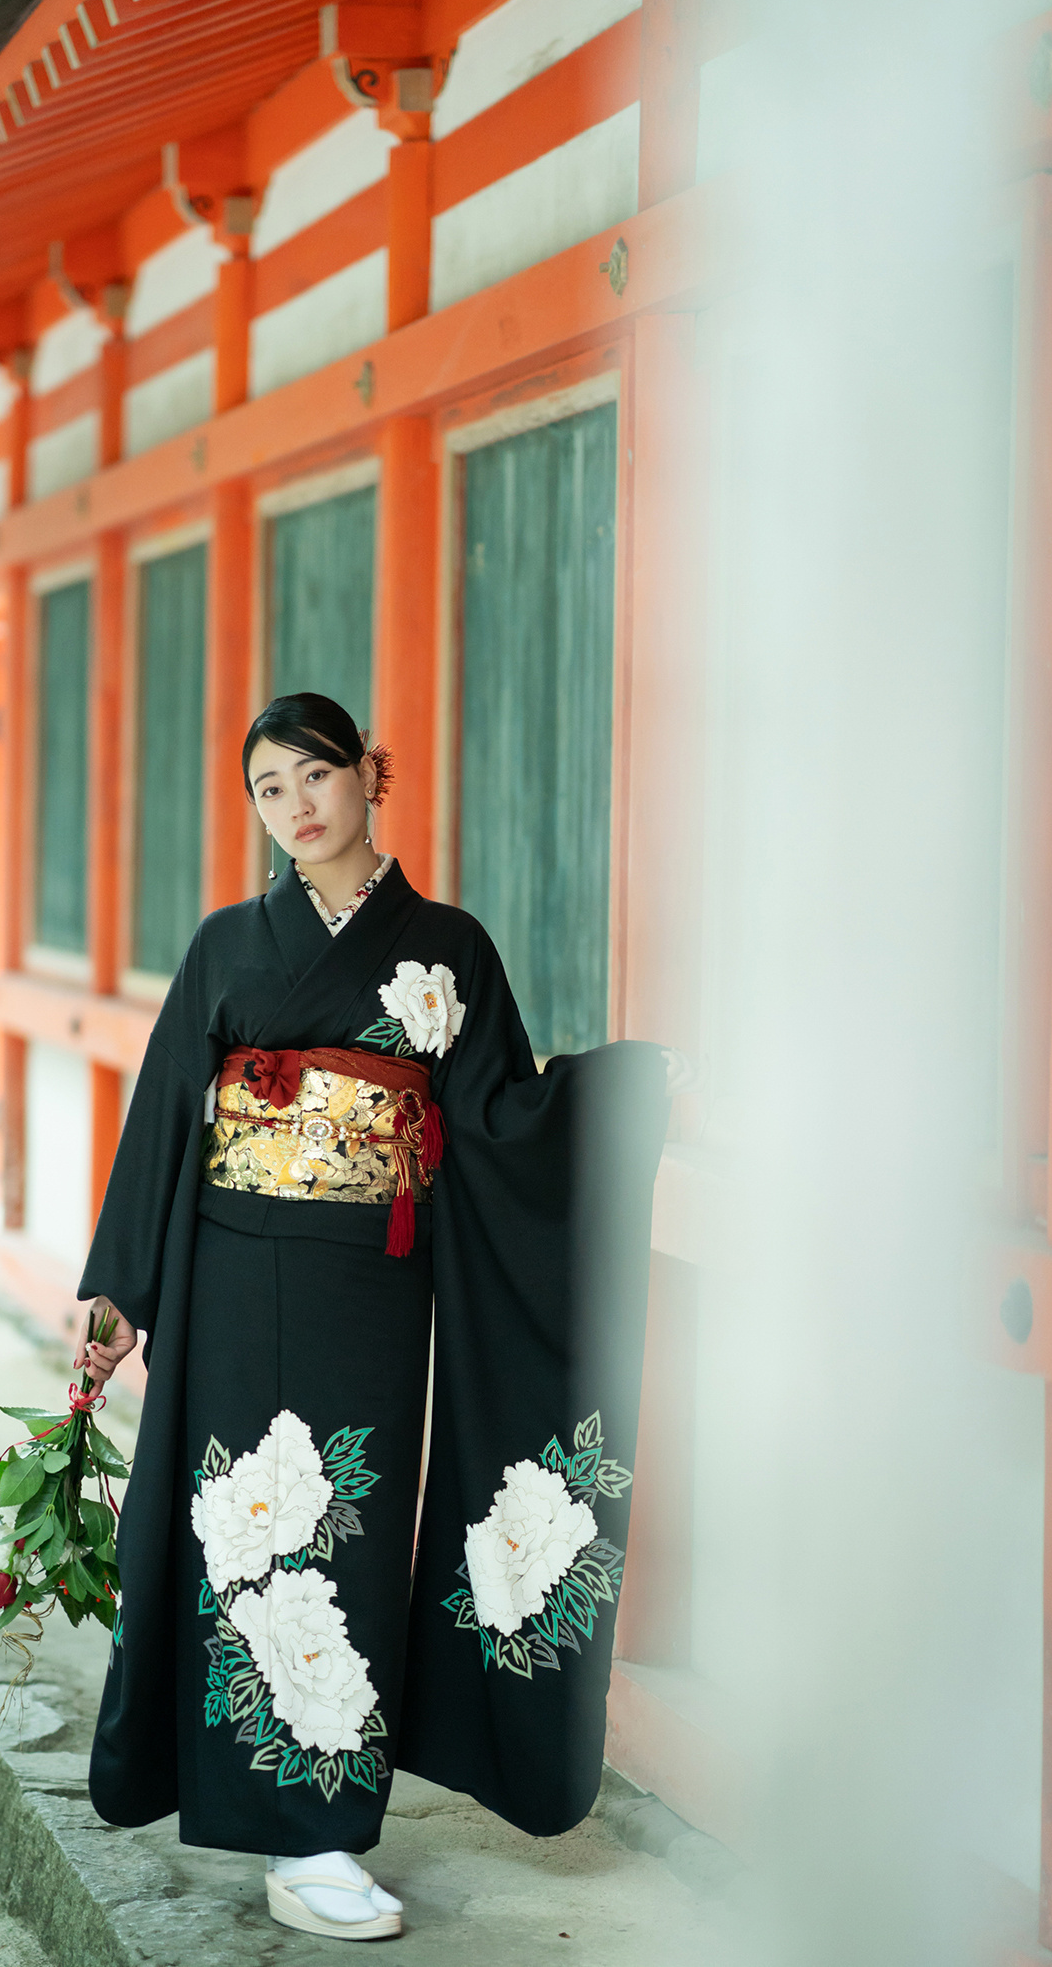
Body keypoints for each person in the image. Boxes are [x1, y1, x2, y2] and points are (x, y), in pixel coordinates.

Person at [74, 691, 672, 1941]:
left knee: (343, 1525)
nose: (296, 806)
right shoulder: (230, 944)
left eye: (315, 776)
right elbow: (166, 1113)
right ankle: (293, 1834)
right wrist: (122, 1286)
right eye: (268, 789)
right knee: (245, 1527)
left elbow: (504, 1116)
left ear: (369, 777)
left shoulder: (445, 947)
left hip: (371, 1284)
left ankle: (328, 1823)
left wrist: (618, 1095)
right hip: (236, 1269)